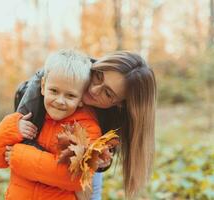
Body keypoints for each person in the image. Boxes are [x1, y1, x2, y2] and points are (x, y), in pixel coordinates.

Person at [9, 51, 157, 199]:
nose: (94, 90)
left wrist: (99, 161)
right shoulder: (50, 81)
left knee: (89, 191)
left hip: (79, 147)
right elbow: (17, 145)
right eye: (98, 77)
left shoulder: (118, 115)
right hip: (42, 143)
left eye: (108, 94)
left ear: (120, 105)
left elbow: (88, 170)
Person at [0, 49, 105, 200]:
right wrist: (12, 128)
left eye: (70, 95)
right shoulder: (29, 117)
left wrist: (19, 156)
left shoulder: (87, 128)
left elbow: (75, 178)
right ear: (42, 86)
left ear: (82, 98)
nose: (60, 101)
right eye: (54, 91)